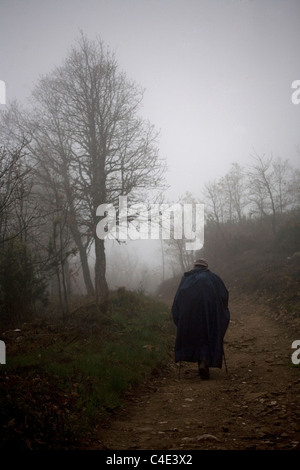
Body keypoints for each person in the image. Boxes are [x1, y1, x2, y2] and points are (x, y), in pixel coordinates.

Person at [171, 258, 230, 379]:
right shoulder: (214, 278)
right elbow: (224, 296)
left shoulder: (186, 279)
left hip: (189, 316)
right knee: (207, 336)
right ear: (206, 267)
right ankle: (204, 362)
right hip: (209, 314)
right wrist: (222, 312)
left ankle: (201, 361)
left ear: (194, 267)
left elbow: (177, 300)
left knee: (196, 336)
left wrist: (179, 318)